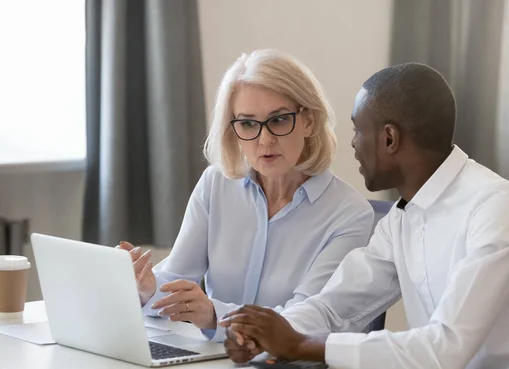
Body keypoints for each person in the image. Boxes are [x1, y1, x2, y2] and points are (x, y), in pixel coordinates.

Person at [219, 63, 509, 369]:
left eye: (359, 130)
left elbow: (443, 349)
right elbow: (334, 307)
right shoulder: (402, 216)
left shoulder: (497, 207)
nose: (354, 144)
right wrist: (266, 333)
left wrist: (299, 345)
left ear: (389, 139)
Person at [119, 49, 374, 342]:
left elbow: (306, 320)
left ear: (309, 121)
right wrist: (147, 287)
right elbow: (177, 279)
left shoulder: (350, 214)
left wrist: (214, 315)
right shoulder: (216, 185)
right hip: (213, 363)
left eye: (278, 120)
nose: (265, 140)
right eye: (248, 124)